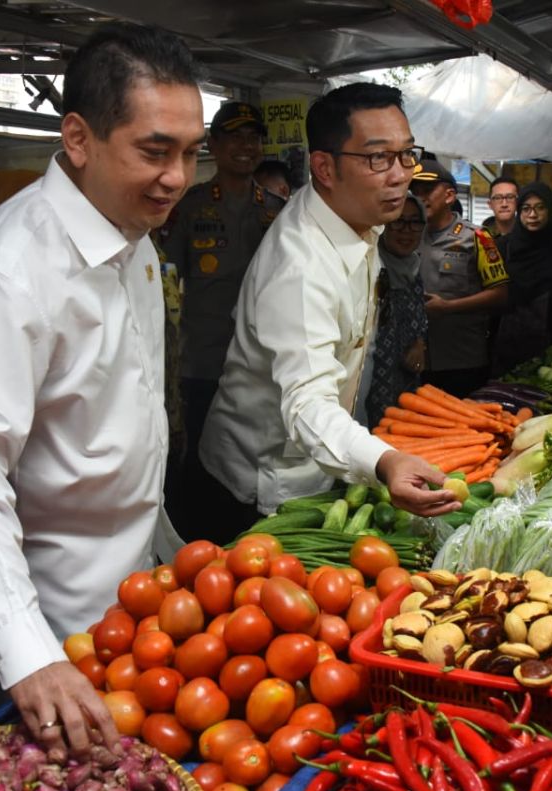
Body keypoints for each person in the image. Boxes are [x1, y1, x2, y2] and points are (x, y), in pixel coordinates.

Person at [0, 22, 204, 756]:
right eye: (155, 150)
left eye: (189, 153)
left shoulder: (136, 236)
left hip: (140, 607)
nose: (177, 176)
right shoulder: (12, 266)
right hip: (53, 629)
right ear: (78, 139)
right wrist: (30, 655)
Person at [199, 82, 459, 524]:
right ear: (323, 167)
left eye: (405, 154)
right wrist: (385, 462)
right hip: (261, 481)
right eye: (378, 158)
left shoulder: (360, 216)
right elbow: (307, 401)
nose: (400, 174)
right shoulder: (299, 266)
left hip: (320, 464)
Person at [160, 102, 285, 537]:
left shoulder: (279, 211)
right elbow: (165, 283)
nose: (246, 147)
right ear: (213, 144)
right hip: (202, 362)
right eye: (234, 137)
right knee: (196, 465)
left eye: (253, 138)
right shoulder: (189, 209)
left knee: (252, 460)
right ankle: (196, 545)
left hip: (260, 365)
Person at [410, 159, 509, 399]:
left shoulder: (477, 237)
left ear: (450, 195)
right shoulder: (405, 235)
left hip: (463, 359)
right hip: (415, 360)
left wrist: (449, 307)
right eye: (415, 191)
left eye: (428, 191)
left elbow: (501, 294)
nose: (420, 197)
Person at [493, 182, 552, 375]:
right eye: (526, 209)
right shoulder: (502, 247)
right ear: (519, 212)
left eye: (540, 208)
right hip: (505, 347)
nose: (533, 215)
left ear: (550, 211)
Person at [365, 194, 429, 426]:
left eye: (415, 222)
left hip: (406, 379)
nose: (406, 230)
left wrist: (419, 343)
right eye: (398, 221)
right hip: (370, 379)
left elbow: (419, 315)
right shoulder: (370, 267)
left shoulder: (413, 267)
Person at [481, 175, 518, 243]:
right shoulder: (480, 238)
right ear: (490, 204)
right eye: (498, 198)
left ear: (518, 202)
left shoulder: (530, 235)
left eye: (510, 197)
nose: (504, 204)